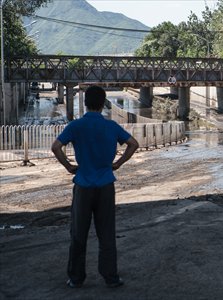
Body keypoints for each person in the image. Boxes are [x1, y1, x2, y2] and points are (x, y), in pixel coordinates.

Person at [51, 85, 139, 288]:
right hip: (106, 184)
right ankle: (111, 277)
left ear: (86, 103)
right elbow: (133, 144)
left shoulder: (76, 126)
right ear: (103, 103)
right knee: (106, 233)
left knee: (78, 233)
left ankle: (76, 278)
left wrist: (69, 166)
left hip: (83, 184)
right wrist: (118, 164)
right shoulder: (111, 126)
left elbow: (56, 147)